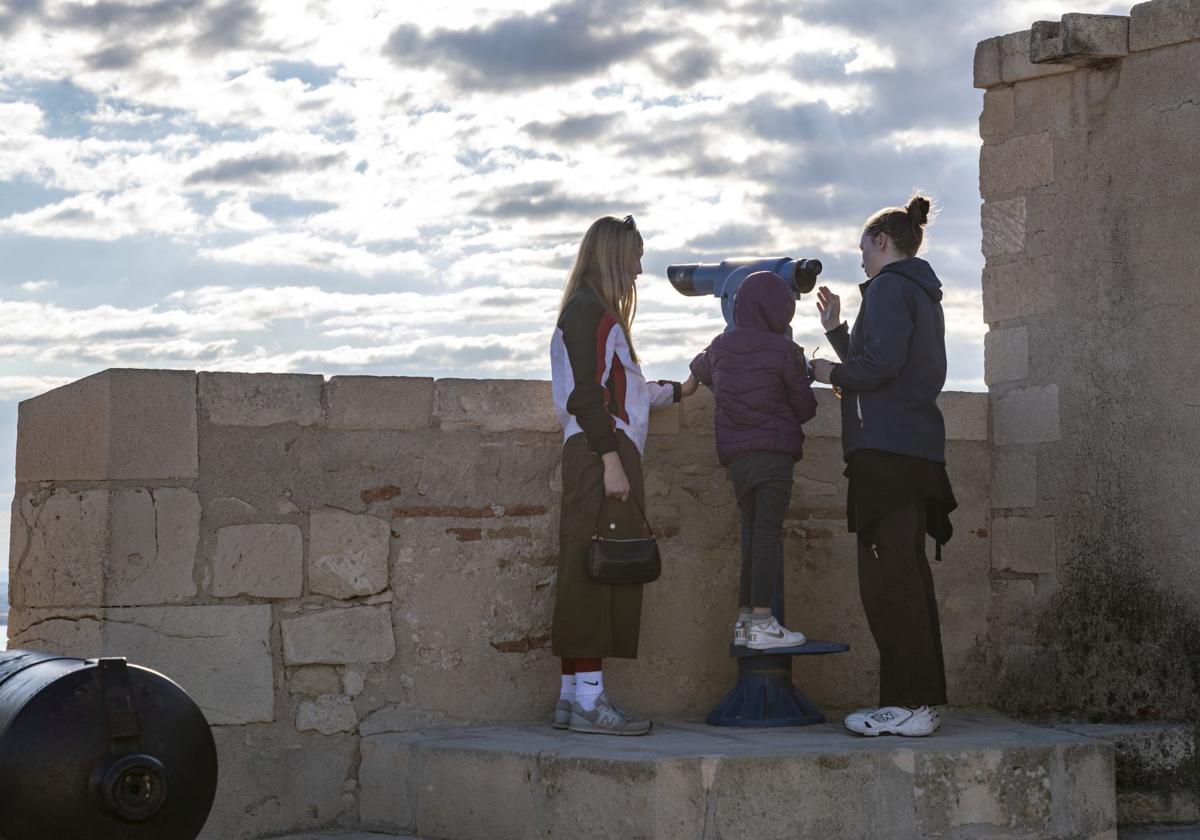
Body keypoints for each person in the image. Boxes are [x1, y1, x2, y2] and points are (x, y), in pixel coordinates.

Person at [809, 194, 958, 738]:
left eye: (863, 250)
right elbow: (886, 365)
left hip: (889, 457)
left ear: (881, 241)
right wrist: (837, 331)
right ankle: (920, 703)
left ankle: (909, 703)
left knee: (889, 583)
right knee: (905, 578)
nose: (861, 261)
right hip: (911, 451)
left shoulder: (892, 287)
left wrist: (828, 370)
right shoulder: (917, 290)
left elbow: (880, 366)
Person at [549, 214, 696, 736]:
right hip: (600, 453)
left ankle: (572, 698)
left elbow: (624, 392)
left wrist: (683, 387)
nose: (638, 270)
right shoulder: (589, 312)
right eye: (634, 258)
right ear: (614, 256)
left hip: (597, 449)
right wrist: (611, 460)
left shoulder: (592, 313)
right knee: (597, 571)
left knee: (588, 564)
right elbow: (587, 396)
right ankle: (590, 702)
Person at [687, 271, 818, 650]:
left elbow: (699, 370)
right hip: (774, 456)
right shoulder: (783, 351)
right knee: (766, 536)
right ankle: (763, 621)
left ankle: (745, 622)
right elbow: (805, 408)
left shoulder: (719, 347)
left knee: (750, 535)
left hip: (737, 460)